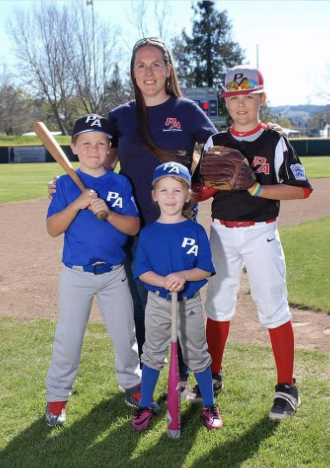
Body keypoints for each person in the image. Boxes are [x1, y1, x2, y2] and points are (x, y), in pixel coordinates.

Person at [187, 65, 313, 422]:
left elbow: (301, 189)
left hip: (262, 231)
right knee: (217, 304)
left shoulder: (274, 141)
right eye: (233, 98)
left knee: (273, 305)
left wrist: (256, 187)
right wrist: (213, 186)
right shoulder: (215, 142)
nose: (241, 105)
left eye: (248, 97)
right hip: (222, 232)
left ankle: (287, 386)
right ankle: (212, 375)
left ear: (261, 99)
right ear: (225, 102)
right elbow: (198, 190)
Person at [44, 114, 143, 427]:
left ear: (109, 148)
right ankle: (57, 398)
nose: (93, 148)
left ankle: (132, 385)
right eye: (85, 142)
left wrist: (107, 211)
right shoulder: (63, 183)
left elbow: (133, 225)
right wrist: (77, 204)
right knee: (68, 337)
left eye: (101, 143)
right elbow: (52, 228)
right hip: (76, 274)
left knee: (124, 334)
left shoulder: (119, 183)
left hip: (114, 273)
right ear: (74, 148)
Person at [131, 162, 223, 431]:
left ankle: (208, 404)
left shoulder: (195, 230)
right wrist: (164, 281)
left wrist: (183, 275)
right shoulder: (147, 233)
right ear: (154, 195)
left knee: (198, 355)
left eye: (177, 190)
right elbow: (142, 271)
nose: (170, 196)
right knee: (152, 354)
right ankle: (145, 404)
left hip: (190, 304)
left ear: (187, 196)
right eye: (163, 190)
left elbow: (205, 268)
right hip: (158, 304)